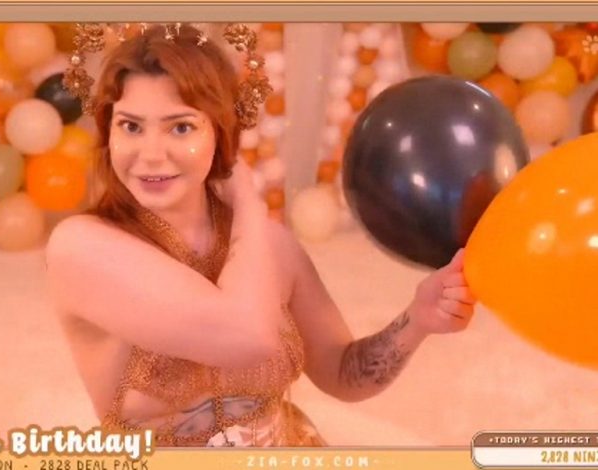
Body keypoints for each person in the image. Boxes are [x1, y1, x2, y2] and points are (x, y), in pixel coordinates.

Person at [45, 23, 476, 447]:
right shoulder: (81, 248)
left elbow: (343, 375)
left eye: (181, 127)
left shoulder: (268, 245)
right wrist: (249, 202)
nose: (151, 154)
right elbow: (248, 338)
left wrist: (417, 320)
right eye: (131, 126)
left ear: (220, 132)